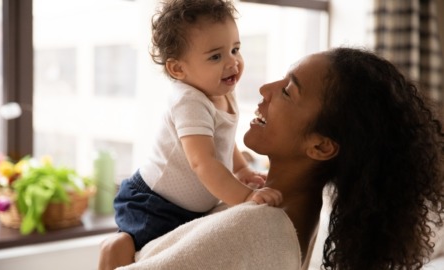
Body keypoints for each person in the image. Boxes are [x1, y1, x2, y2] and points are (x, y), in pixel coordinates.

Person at [99, 47, 444, 270]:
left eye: (288, 90)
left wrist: (111, 257)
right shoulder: (292, 217)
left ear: (321, 147)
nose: (265, 90)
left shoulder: (256, 226)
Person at [110, 0, 283, 268]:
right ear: (178, 69)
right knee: (137, 255)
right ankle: (110, 257)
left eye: (235, 49)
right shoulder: (189, 101)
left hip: (190, 208)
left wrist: (242, 168)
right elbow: (202, 161)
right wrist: (245, 197)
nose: (233, 62)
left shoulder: (222, 89)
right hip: (154, 204)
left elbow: (222, 141)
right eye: (216, 56)